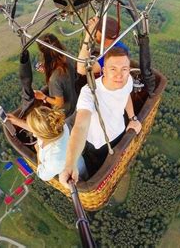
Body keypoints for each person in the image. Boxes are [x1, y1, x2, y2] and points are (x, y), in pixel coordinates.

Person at [60, 46, 142, 187]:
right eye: (113, 69)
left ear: (129, 70)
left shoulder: (127, 81)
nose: (119, 75)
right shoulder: (89, 93)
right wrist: (70, 164)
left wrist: (133, 117)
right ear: (103, 71)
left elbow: (126, 95)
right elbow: (80, 126)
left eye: (124, 69)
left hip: (119, 131)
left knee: (117, 164)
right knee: (99, 169)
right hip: (98, 143)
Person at [7, 107, 86, 181]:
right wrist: (16, 121)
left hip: (76, 176)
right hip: (79, 160)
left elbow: (42, 175)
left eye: (35, 132)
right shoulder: (59, 125)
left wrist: (38, 152)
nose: (34, 135)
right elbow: (42, 128)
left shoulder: (55, 159)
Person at [35, 33, 77, 117]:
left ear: (44, 54)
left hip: (65, 113)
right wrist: (49, 70)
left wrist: (43, 97)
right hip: (74, 102)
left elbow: (59, 103)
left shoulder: (54, 79)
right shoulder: (67, 56)